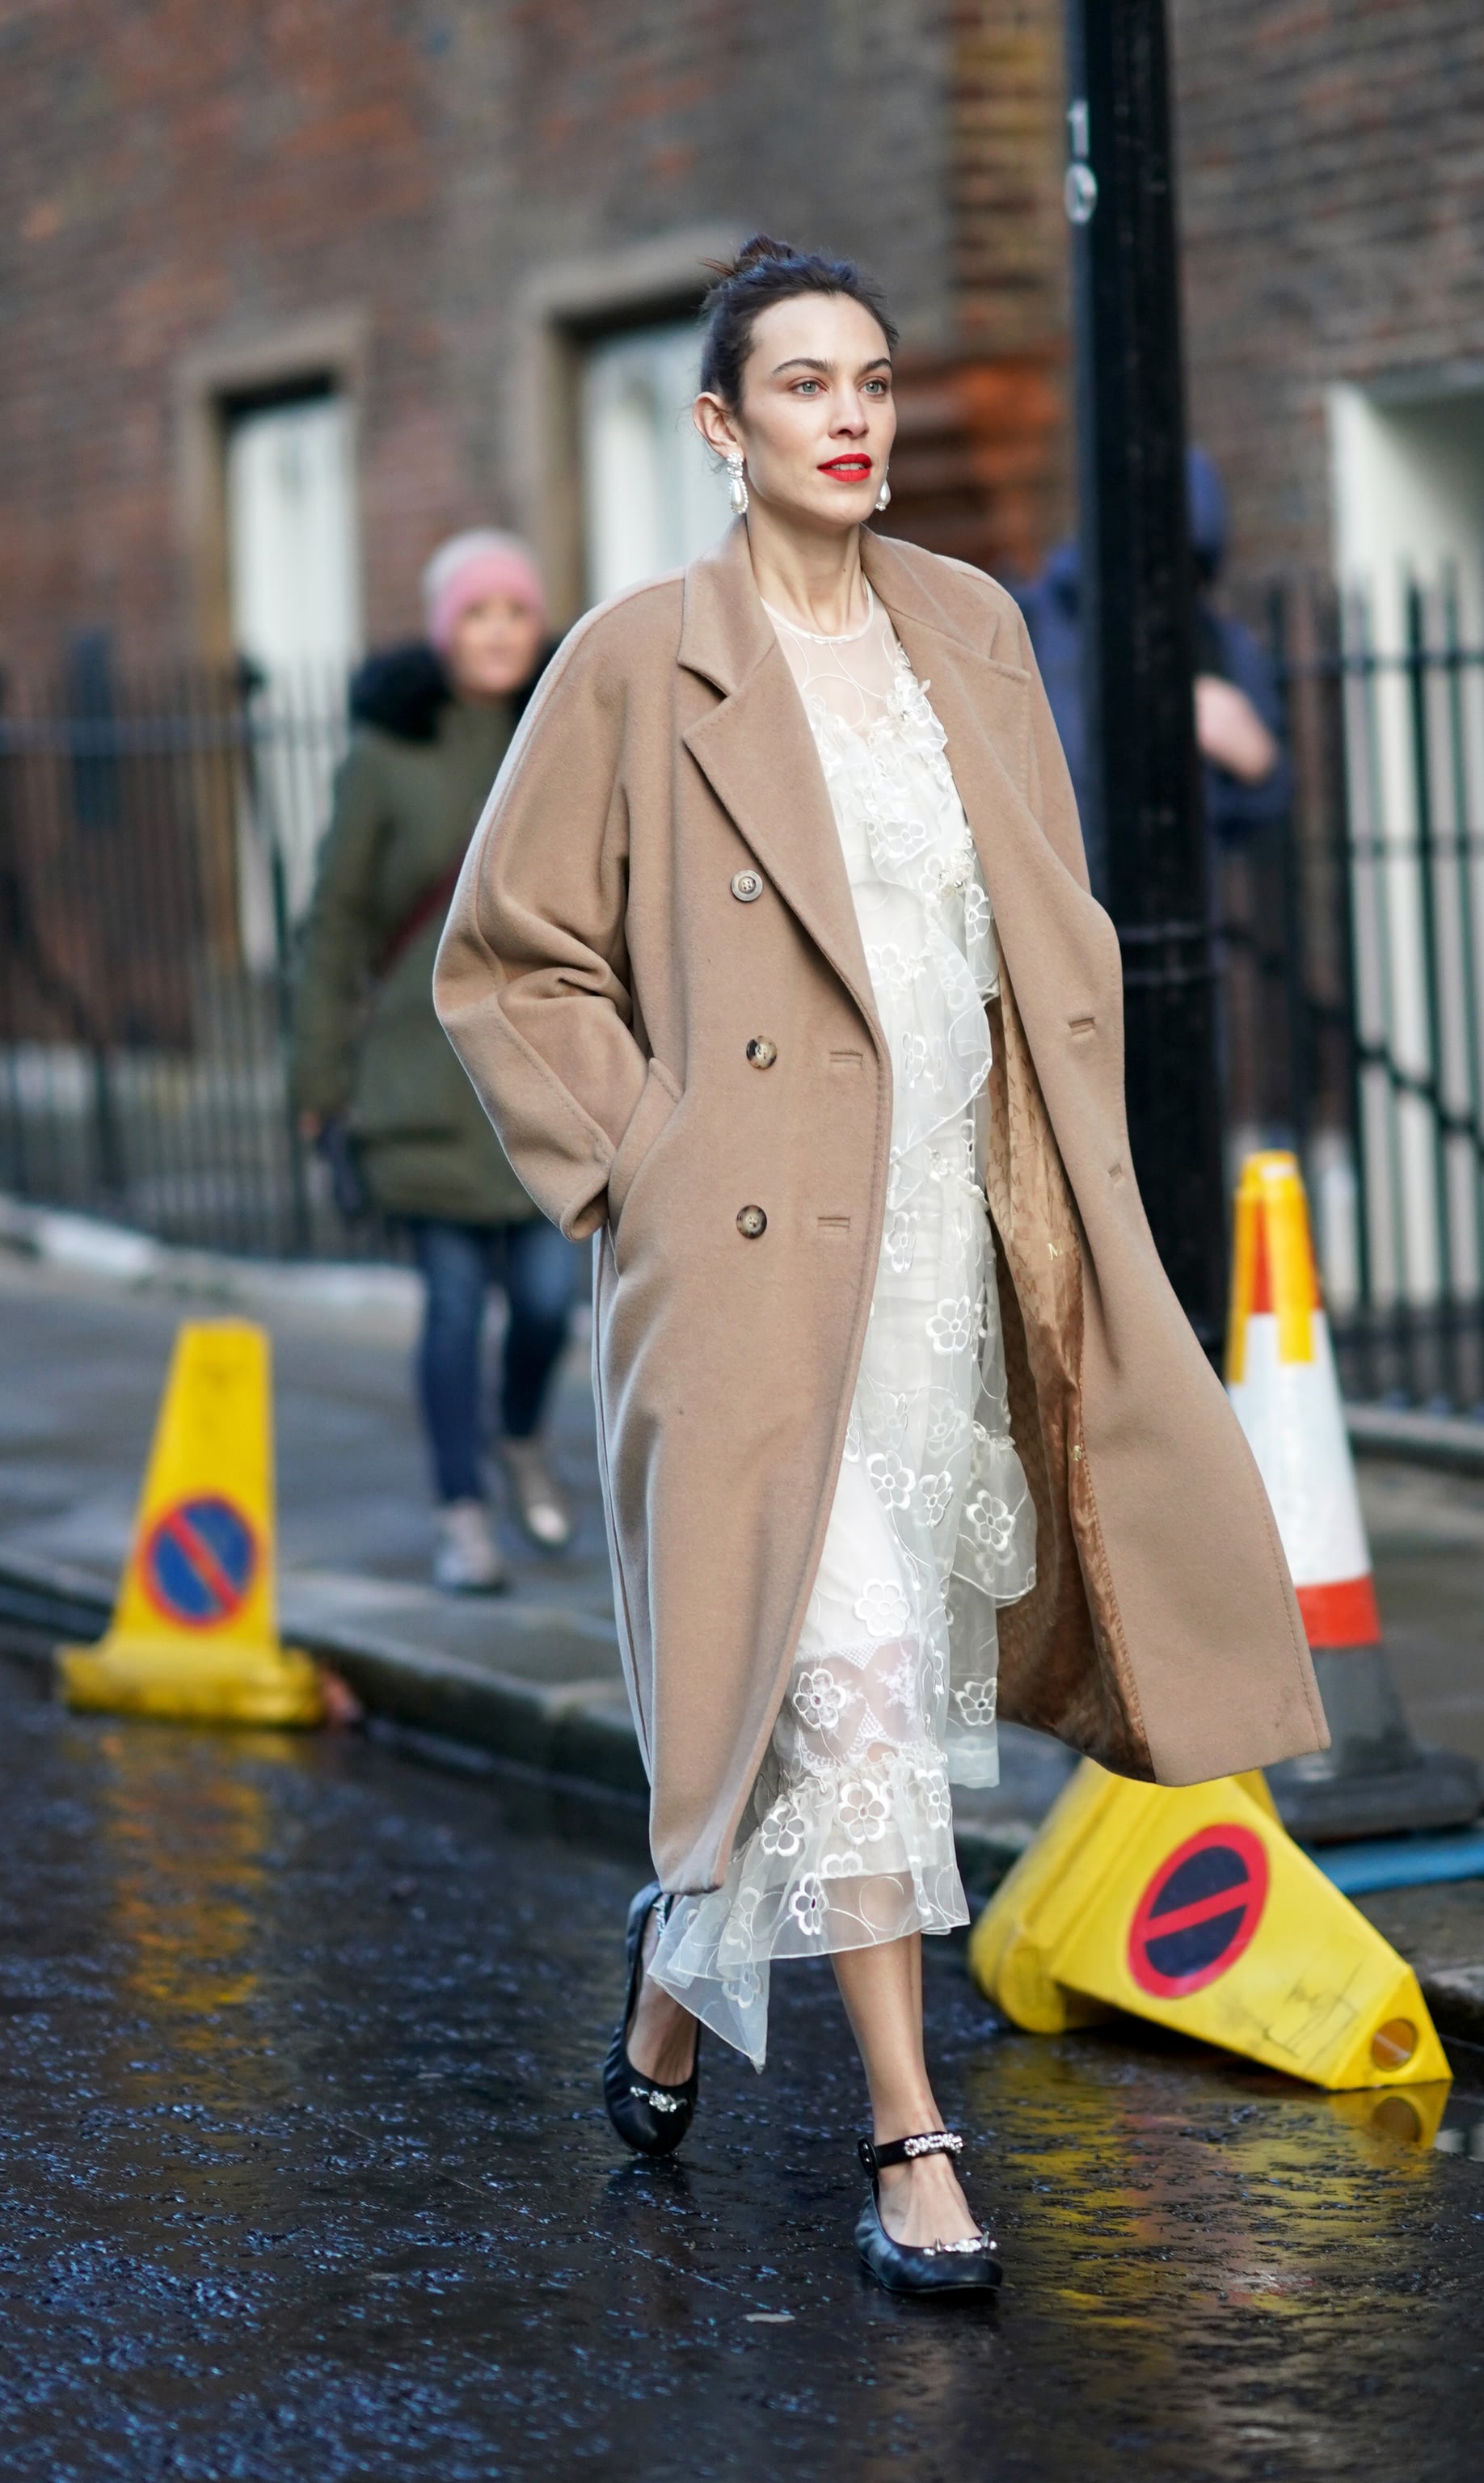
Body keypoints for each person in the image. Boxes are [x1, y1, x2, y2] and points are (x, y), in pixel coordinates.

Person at [435, 239, 1326, 2295]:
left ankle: (676, 1967)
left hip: (948, 1222)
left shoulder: (969, 625)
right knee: (830, 1657)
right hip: (747, 1254)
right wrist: (640, 1161)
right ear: (718, 425)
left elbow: (1041, 906)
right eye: (805, 384)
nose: (853, 418)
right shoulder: (632, 659)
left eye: (877, 381)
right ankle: (910, 2128)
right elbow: (506, 959)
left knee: (881, 1672)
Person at [291, 530, 580, 1595]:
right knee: (455, 1304)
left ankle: (519, 1440)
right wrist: (319, 1087)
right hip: (419, 1085)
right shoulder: (384, 755)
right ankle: (462, 1510)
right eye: (477, 613)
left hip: (545, 1077)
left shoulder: (566, 732)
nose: (500, 631)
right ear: (442, 629)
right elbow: (333, 928)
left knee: (550, 1298)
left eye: (515, 611)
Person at [1014, 447, 1290, 871]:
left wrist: (1258, 763)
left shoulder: (1217, 645)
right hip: (1054, 916)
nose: (1159, 584)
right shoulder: (1024, 623)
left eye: (1185, 568)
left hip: (1177, 920)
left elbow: (1266, 800)